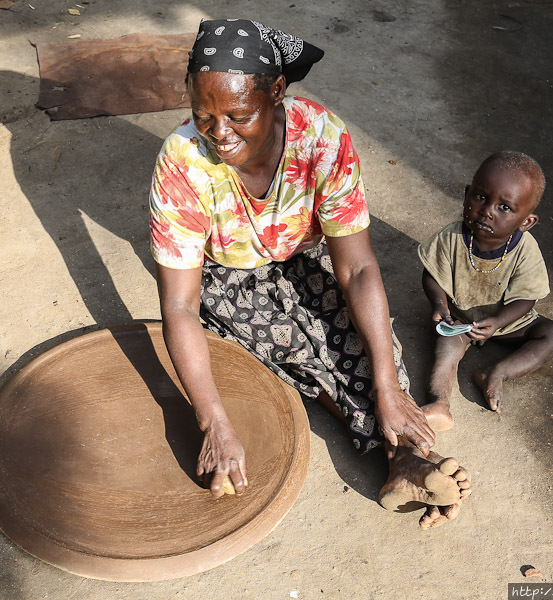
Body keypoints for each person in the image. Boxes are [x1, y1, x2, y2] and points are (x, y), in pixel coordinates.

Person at [149, 18, 470, 528]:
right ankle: (404, 456)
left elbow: (360, 268)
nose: (218, 133)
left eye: (237, 114)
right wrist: (213, 422)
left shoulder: (320, 137)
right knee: (299, 352)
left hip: (305, 255)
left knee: (357, 337)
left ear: (276, 92)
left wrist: (387, 387)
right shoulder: (183, 163)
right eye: (202, 114)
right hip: (226, 279)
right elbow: (181, 305)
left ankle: (403, 456)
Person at [417, 151, 553, 426]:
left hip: (510, 323)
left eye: (505, 208)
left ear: (526, 221)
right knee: (445, 347)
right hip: (461, 320)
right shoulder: (450, 238)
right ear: (466, 194)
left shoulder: (525, 250)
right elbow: (432, 276)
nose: (487, 211)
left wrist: (498, 322)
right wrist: (439, 306)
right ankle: (439, 401)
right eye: (481, 197)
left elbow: (527, 298)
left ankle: (496, 372)